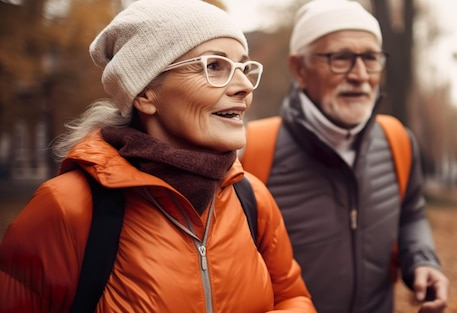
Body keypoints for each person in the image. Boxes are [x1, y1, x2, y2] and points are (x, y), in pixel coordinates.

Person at [0, 0, 316, 312]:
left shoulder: (251, 196)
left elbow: (293, 298)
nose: (245, 86)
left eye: (244, 68)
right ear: (145, 94)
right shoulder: (67, 207)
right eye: (214, 66)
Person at [240, 1, 449, 312]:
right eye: (341, 59)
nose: (360, 75)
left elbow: (411, 213)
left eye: (370, 58)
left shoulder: (398, 140)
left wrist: (422, 260)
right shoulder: (251, 151)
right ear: (300, 69)